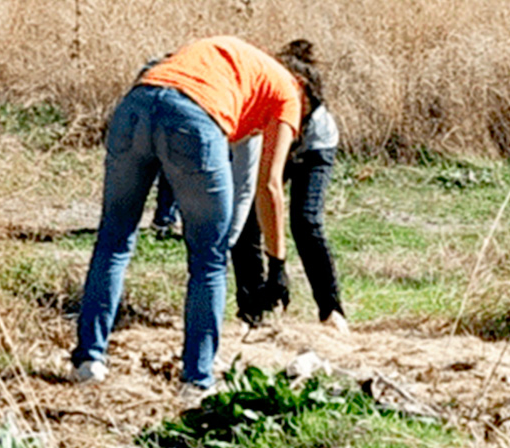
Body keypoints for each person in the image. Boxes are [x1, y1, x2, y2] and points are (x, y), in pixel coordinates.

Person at [72, 36, 316, 395]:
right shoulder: (289, 94)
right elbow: (270, 186)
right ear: (304, 91)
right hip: (193, 121)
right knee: (209, 261)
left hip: (136, 105)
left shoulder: (235, 59)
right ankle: (197, 379)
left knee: (114, 241)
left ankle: (89, 360)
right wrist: (277, 265)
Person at [232, 44, 348, 331]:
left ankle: (331, 309)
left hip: (314, 150)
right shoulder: (267, 108)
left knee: (305, 223)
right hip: (270, 144)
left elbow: (273, 187)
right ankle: (254, 307)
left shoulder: (318, 121)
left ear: (302, 87)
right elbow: (264, 188)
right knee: (247, 218)